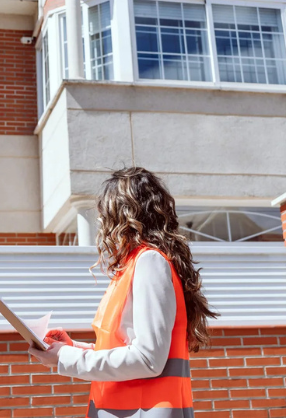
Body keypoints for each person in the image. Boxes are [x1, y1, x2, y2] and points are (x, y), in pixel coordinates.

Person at [28, 167, 216, 418]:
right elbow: (125, 346)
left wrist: (66, 357)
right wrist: (73, 348)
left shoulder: (149, 262)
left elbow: (148, 359)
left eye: (106, 213)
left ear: (124, 216)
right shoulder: (136, 264)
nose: (101, 223)